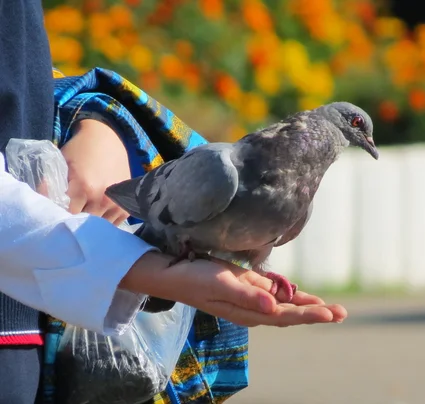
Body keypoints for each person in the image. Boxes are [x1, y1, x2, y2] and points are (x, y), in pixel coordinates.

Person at [0, 1, 347, 403]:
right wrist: (134, 267)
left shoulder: (297, 197)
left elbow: (28, 85)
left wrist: (97, 119)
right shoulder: (226, 168)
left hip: (27, 326)